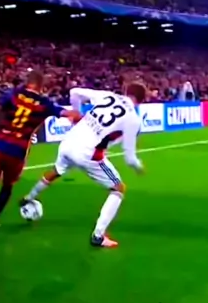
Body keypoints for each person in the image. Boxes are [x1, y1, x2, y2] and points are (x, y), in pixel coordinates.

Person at [0, 70, 81, 243]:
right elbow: (68, 114)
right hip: (18, 151)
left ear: (27, 82)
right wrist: (78, 116)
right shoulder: (45, 103)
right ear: (41, 86)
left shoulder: (13, 94)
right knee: (7, 186)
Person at [21, 83, 147, 248]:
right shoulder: (133, 120)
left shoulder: (108, 96)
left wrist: (77, 114)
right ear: (142, 101)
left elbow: (74, 92)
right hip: (87, 153)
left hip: (69, 141)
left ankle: (28, 198)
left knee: (56, 171)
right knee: (118, 188)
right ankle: (98, 236)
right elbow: (129, 158)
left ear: (126, 91)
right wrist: (138, 166)